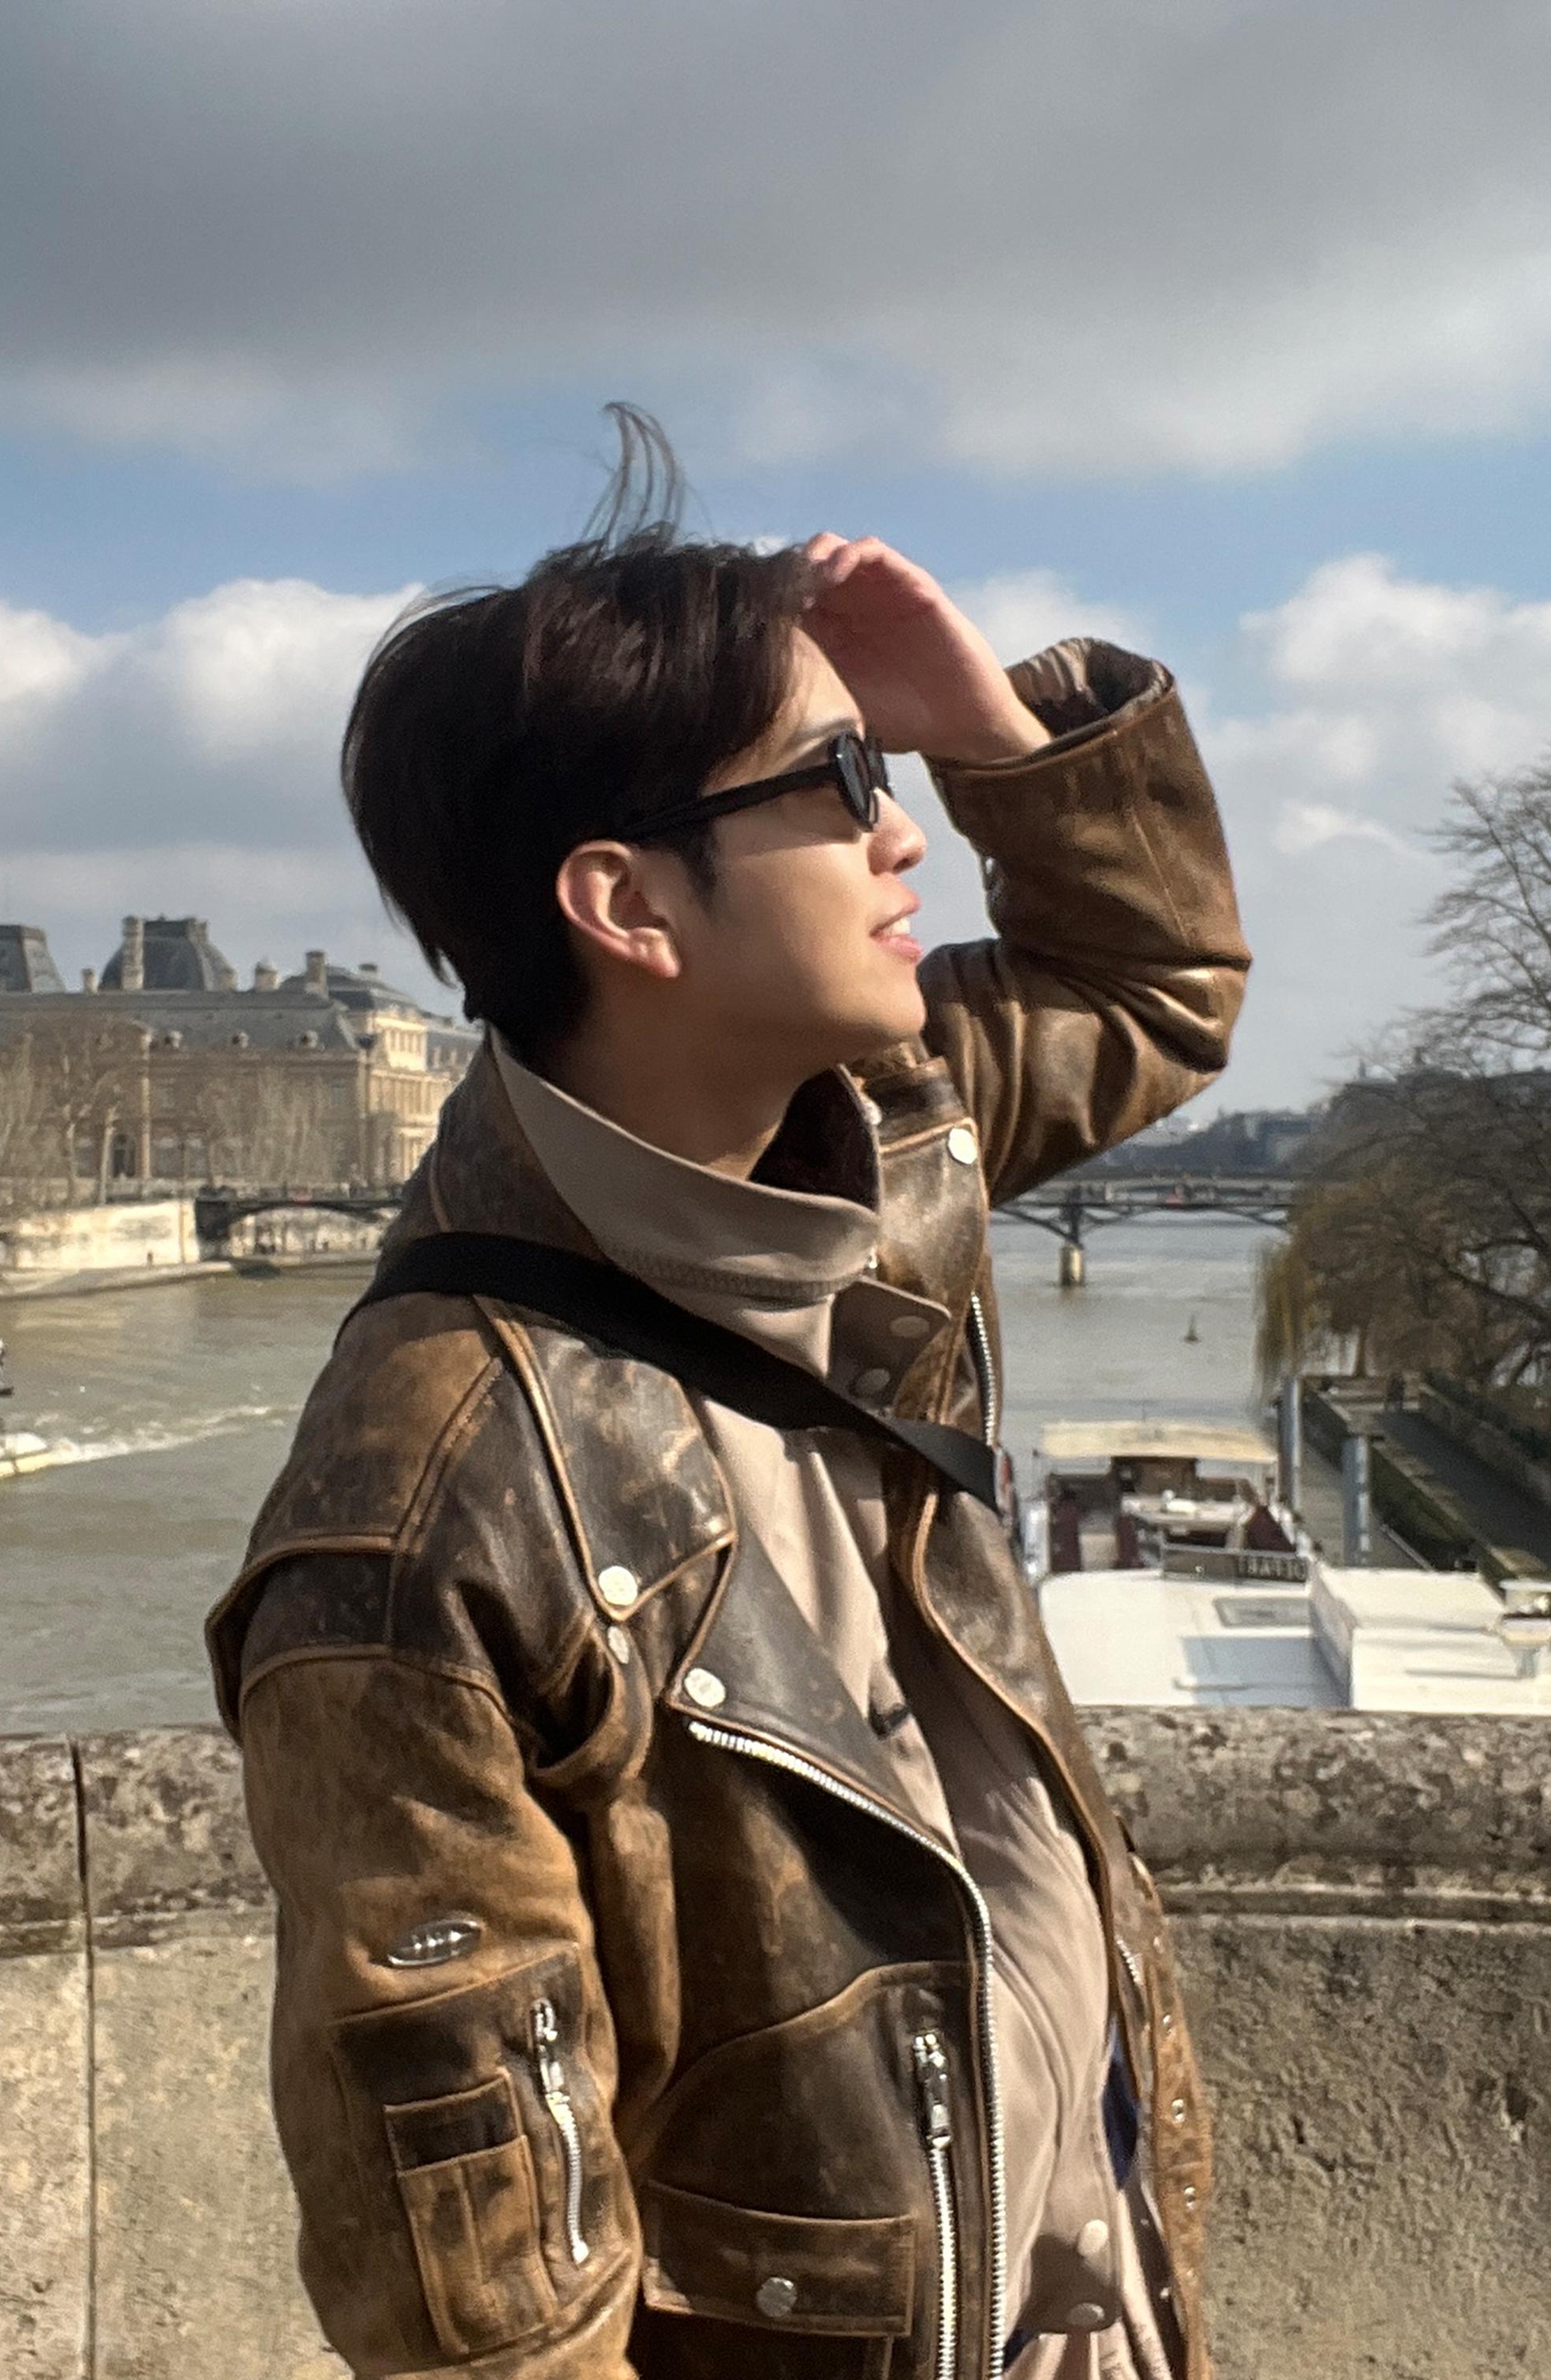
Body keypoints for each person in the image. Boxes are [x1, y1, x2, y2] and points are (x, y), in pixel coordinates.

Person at [205, 415, 1249, 2380]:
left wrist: (997, 737)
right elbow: (492, 2318)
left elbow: (1153, 991)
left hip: (1097, 2299)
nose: (904, 834)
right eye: (845, 782)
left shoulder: (888, 1136)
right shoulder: (418, 1515)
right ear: (630, 906)